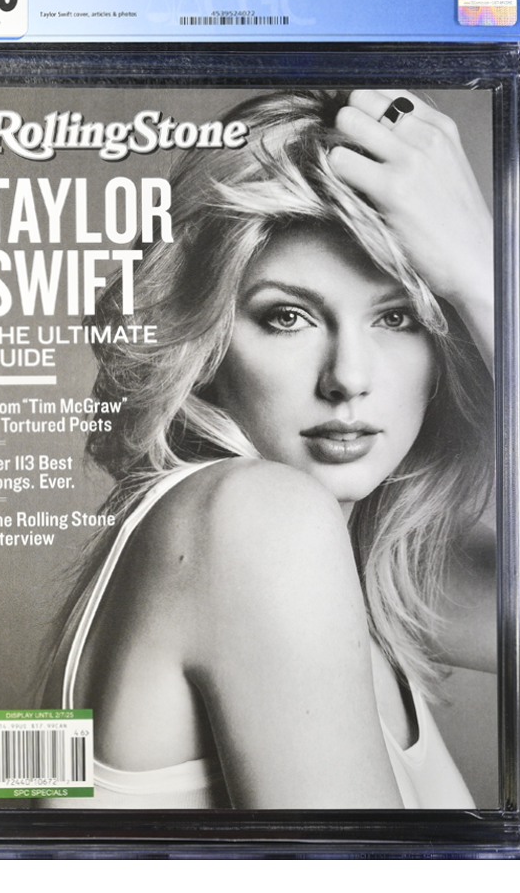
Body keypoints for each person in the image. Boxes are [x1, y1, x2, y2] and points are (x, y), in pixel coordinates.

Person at [40, 89, 496, 810]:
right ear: (209, 341)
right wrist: (489, 281)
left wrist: (482, 274)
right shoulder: (256, 518)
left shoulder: (371, 569)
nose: (348, 377)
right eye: (288, 317)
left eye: (397, 317)